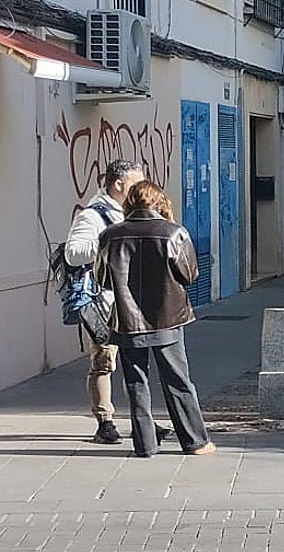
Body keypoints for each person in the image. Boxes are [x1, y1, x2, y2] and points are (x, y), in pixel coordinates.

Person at [98, 181, 215, 458]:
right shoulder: (173, 233)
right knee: (178, 381)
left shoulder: (110, 236)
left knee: (136, 384)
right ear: (159, 201)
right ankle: (195, 441)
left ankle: (145, 445)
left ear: (129, 203)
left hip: (127, 321)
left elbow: (103, 280)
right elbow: (189, 276)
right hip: (168, 319)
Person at [64, 159, 148, 445]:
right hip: (104, 302)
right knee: (104, 361)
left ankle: (142, 422)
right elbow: (73, 254)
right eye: (136, 183)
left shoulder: (134, 212)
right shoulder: (93, 216)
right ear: (119, 184)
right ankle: (105, 422)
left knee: (136, 361)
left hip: (132, 299)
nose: (141, 188)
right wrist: (109, 240)